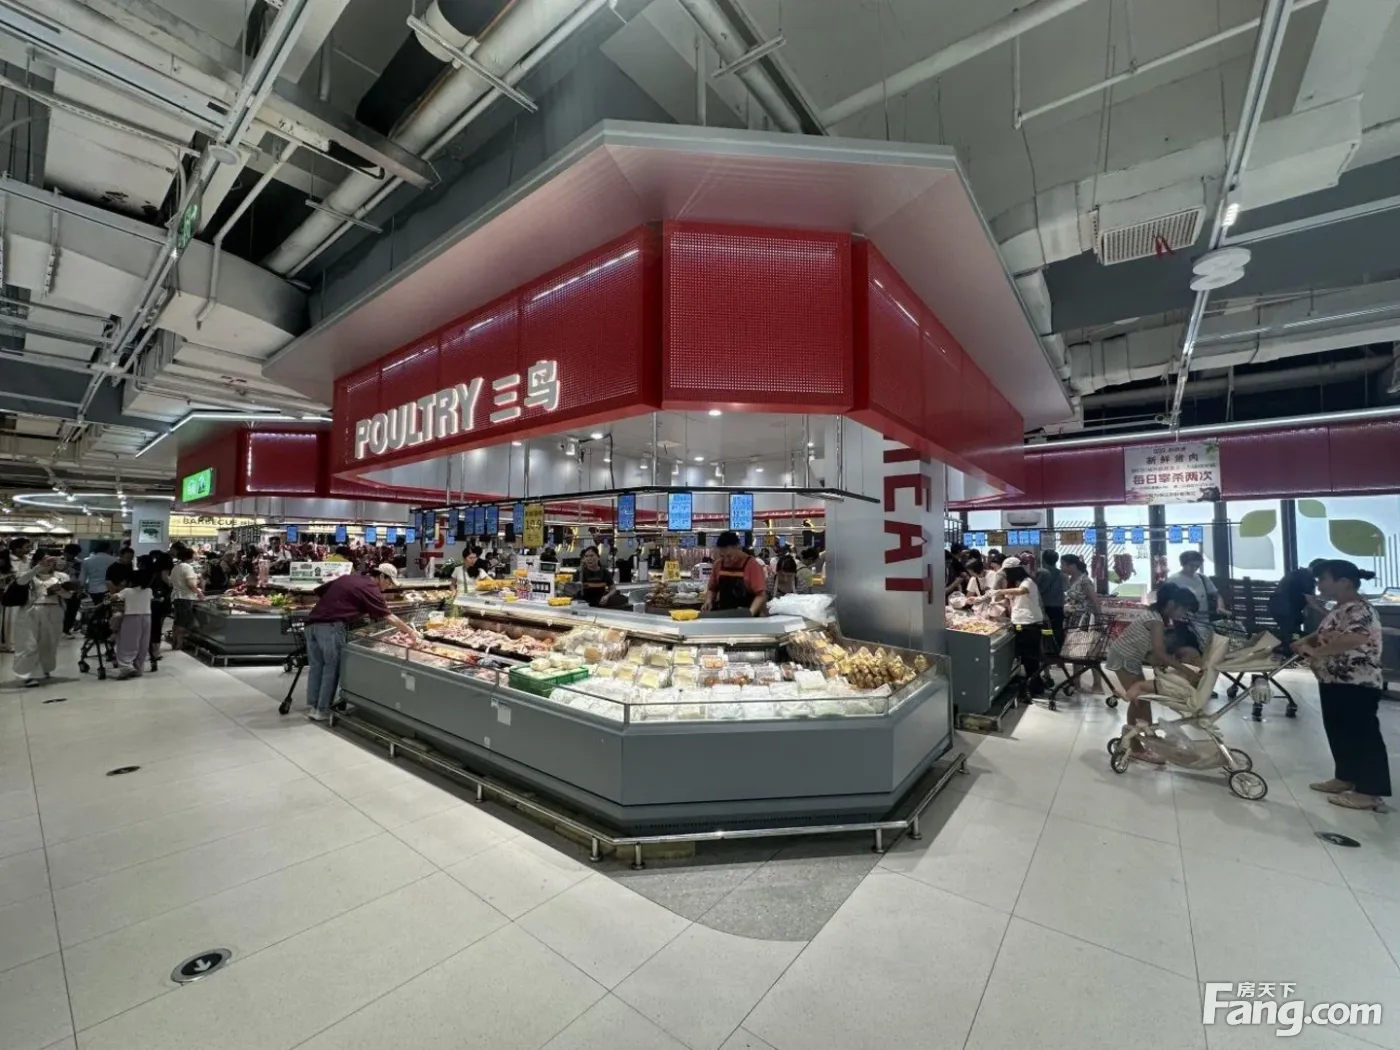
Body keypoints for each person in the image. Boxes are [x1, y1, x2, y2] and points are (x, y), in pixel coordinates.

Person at [1293, 560, 1389, 811]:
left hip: (1357, 681)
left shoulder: (1360, 609)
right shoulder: (1339, 608)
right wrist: (1305, 641)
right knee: (1339, 731)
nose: (1319, 585)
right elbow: (1327, 632)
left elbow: (1354, 637)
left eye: (1323, 579)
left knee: (1362, 735)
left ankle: (1369, 791)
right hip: (1334, 680)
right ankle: (1345, 776)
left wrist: (1316, 652)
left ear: (1343, 582)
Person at [304, 563, 419, 721]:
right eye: (389, 582)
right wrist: (410, 631)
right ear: (381, 576)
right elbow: (389, 616)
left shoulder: (352, 578)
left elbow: (322, 591)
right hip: (330, 627)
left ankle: (313, 707)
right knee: (332, 668)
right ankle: (322, 710)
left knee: (317, 666)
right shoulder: (371, 587)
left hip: (311, 625)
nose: (389, 586)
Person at [1104, 583, 1202, 763]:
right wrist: (1187, 671)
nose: (1183, 615)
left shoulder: (1156, 616)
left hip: (1129, 658)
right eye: (1183, 609)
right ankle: (1135, 746)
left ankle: (1146, 738)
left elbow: (1151, 650)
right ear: (1171, 604)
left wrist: (1160, 662)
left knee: (1143, 699)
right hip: (1123, 659)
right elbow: (1159, 652)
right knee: (1139, 700)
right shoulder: (1156, 622)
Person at [984, 557, 1047, 702]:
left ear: (1014, 571)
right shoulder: (1017, 583)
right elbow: (1010, 600)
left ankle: (1034, 687)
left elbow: (1021, 591)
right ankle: (1033, 685)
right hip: (1020, 624)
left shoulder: (1027, 582)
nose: (1005, 575)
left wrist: (999, 591)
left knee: (1030, 658)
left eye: (1006, 572)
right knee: (1026, 657)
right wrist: (994, 601)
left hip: (1030, 624)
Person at [13, 553, 72, 686]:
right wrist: (37, 568)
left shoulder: (61, 576)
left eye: (51, 560)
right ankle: (27, 675)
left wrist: (58, 590)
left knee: (49, 643)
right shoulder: (28, 574)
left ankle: (44, 669)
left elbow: (68, 596)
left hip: (54, 610)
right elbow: (20, 582)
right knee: (29, 644)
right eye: (45, 560)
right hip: (30, 611)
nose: (49, 563)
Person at [1061, 554, 1107, 694]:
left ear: (1073, 565)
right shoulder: (1070, 580)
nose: (1062, 567)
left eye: (1063, 564)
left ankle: (1097, 685)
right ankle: (1077, 684)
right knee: (1075, 654)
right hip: (1074, 619)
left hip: (1085, 620)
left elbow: (1095, 600)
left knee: (1091, 654)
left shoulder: (1084, 580)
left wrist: (1099, 618)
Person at [702, 531, 768, 617]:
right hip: (724, 614)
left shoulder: (752, 565)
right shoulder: (718, 564)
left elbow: (761, 595)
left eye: (729, 556)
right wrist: (709, 600)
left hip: (747, 616)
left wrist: (749, 613)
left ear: (738, 548)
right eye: (722, 556)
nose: (726, 560)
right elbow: (712, 589)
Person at [113, 563, 155, 679]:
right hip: (147, 618)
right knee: (143, 643)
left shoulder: (127, 591)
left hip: (131, 617)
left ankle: (126, 667)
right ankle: (139, 667)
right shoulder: (149, 591)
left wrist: (111, 595)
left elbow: (115, 597)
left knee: (128, 642)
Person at [1035, 549, 1067, 688]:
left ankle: (1046, 666)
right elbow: (1065, 590)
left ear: (1043, 559)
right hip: (1058, 608)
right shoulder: (1062, 574)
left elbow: (1038, 590)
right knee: (1057, 635)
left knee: (1045, 637)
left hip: (1045, 609)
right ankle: (1058, 659)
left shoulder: (1042, 572)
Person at [1167, 550, 1225, 616]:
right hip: (1182, 619)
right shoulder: (1173, 580)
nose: (1194, 568)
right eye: (1191, 565)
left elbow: (1217, 595)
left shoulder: (1202, 578)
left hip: (1204, 618)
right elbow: (1168, 602)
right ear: (1183, 564)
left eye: (1197, 566)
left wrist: (1220, 607)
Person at [1, 537, 33, 653]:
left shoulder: (27, 560)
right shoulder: (6, 559)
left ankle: (18, 642)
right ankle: (8, 644)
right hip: (9, 593)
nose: (29, 549)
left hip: (23, 592)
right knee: (10, 619)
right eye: (27, 547)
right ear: (17, 549)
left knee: (21, 619)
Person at [170, 545, 204, 652]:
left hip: (177, 596)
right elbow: (190, 584)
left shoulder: (176, 567)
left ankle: (175, 642)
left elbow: (171, 582)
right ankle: (179, 645)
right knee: (182, 622)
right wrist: (199, 593)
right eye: (194, 553)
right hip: (185, 597)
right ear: (190, 555)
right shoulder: (187, 567)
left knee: (177, 621)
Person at [146, 550, 173, 663]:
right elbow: (165, 577)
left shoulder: (150, 568)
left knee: (152, 624)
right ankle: (155, 651)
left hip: (150, 598)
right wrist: (173, 585)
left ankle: (149, 648)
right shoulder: (165, 566)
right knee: (157, 624)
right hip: (161, 597)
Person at [60, 543, 84, 636]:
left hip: (74, 588)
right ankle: (61, 628)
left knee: (72, 609)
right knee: (61, 609)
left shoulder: (79, 563)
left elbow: (81, 577)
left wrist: (80, 590)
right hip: (61, 588)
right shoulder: (59, 561)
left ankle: (66, 629)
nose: (72, 556)